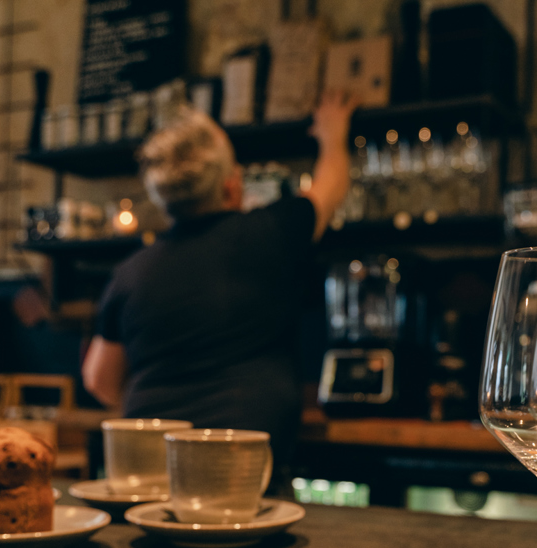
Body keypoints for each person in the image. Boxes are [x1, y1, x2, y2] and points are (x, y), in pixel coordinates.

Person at [82, 92, 355, 490]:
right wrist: (333, 133)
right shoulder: (272, 232)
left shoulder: (130, 272)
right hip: (241, 474)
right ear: (231, 187)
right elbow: (331, 184)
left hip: (149, 478)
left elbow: (99, 379)